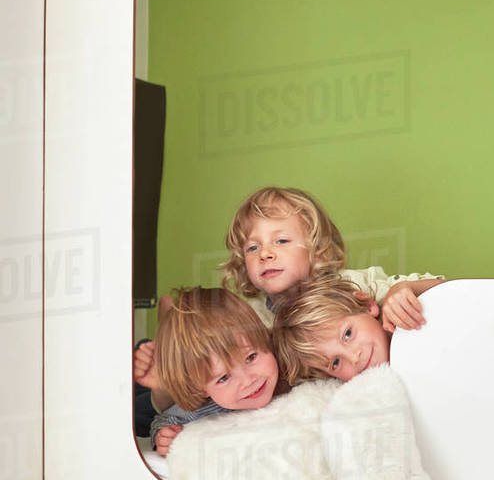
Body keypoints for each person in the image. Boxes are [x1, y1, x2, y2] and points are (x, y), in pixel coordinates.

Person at [223, 186, 442, 332]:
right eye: (252, 247)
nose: (264, 254)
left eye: (281, 241)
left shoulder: (353, 285)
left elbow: (446, 287)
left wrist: (401, 290)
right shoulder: (251, 318)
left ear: (318, 250)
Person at [146, 287, 285, 456]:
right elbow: (164, 419)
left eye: (251, 357)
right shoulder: (209, 408)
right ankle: (161, 336)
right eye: (224, 378)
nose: (248, 380)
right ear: (202, 389)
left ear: (265, 339)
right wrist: (163, 437)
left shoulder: (290, 372)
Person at [273, 273, 401, 383]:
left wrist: (404, 288)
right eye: (335, 363)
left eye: (347, 334)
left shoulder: (403, 317)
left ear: (368, 306)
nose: (354, 358)